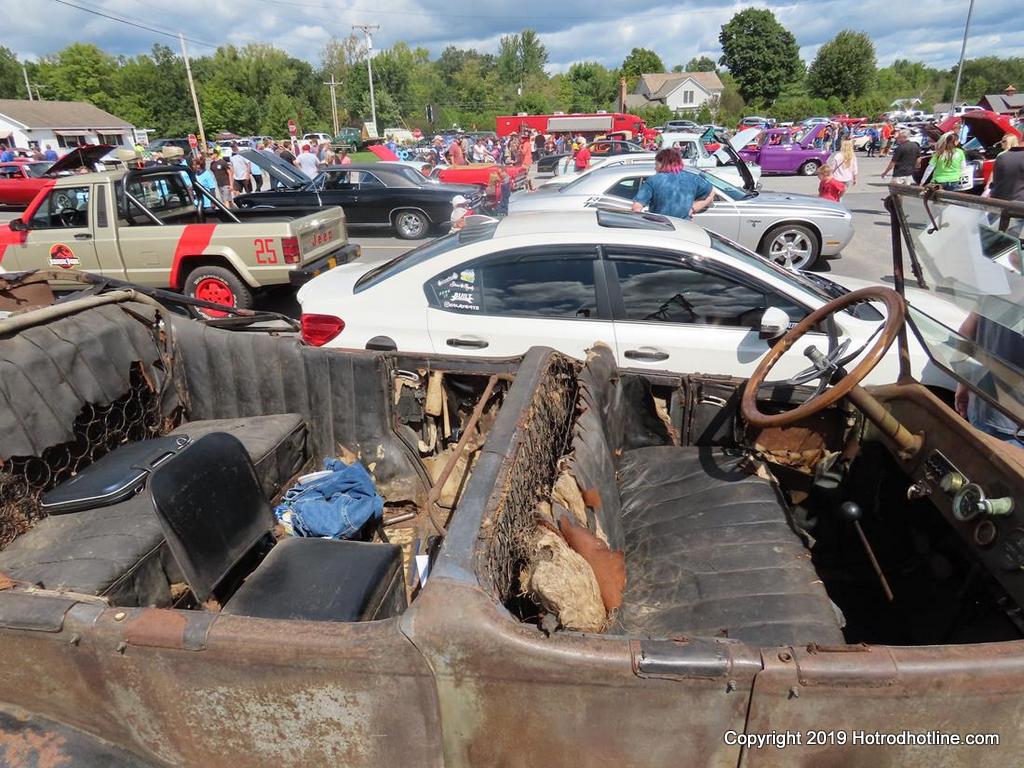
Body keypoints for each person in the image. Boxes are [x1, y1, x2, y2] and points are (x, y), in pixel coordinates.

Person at [631, 147, 714, 220]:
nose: (655, 168)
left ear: (663, 163)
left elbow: (636, 207)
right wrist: (693, 209)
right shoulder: (693, 178)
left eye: (656, 164)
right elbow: (711, 193)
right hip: (685, 226)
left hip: (661, 225)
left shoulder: (653, 180)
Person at [985, 134, 1023, 202]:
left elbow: (996, 178)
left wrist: (989, 186)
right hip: (1018, 205)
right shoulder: (1001, 156)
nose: (1001, 143)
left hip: (1001, 202)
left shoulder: (1002, 157)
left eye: (1004, 141)